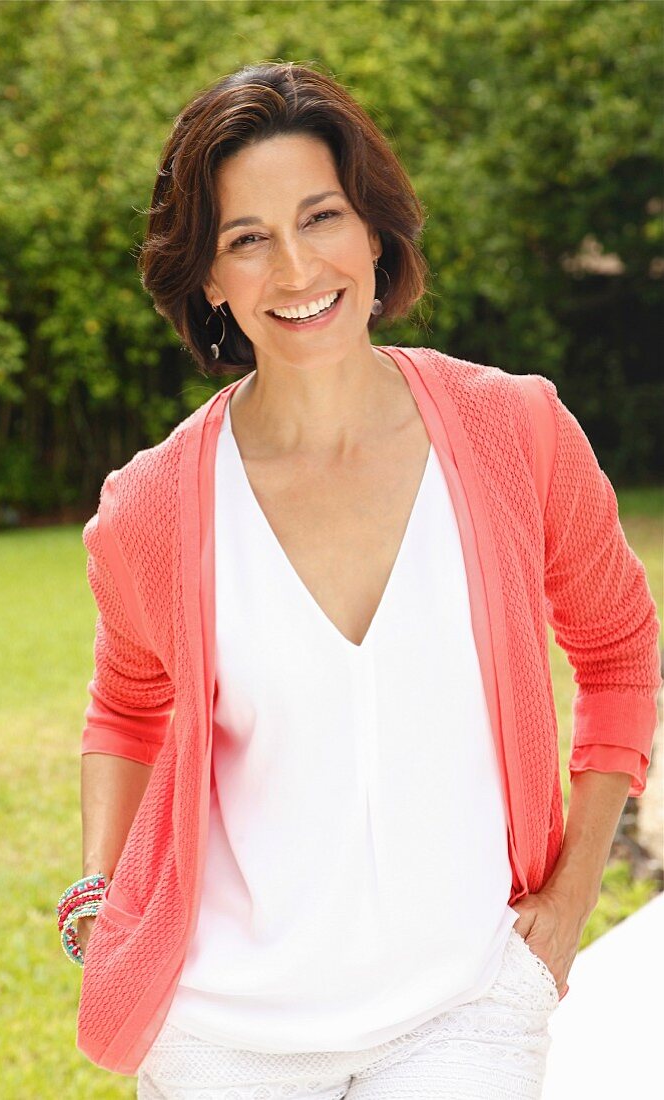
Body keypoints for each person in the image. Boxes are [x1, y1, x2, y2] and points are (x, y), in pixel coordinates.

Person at [60, 62, 662, 1099]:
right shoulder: (151, 506)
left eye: (320, 216)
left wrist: (566, 902)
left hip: (461, 1006)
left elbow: (616, 648)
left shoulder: (512, 430)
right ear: (208, 278)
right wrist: (103, 895)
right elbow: (127, 702)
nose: (295, 268)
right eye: (246, 238)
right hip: (222, 1029)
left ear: (373, 232)